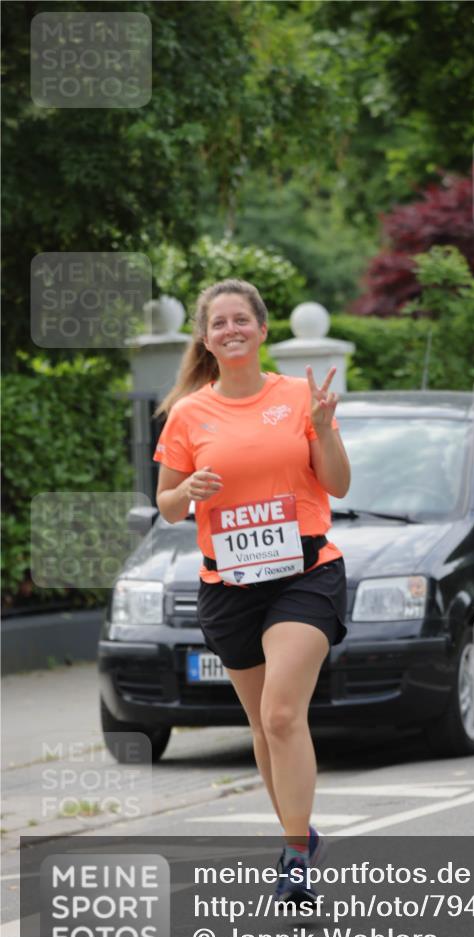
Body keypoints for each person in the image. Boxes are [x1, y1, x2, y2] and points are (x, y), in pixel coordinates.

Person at [152, 278, 351, 900]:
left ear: (262, 331)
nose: (232, 330)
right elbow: (166, 506)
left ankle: (295, 859)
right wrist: (187, 493)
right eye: (219, 323)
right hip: (230, 585)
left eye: (243, 319)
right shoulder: (188, 413)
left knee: (282, 713)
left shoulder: (298, 397)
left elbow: (339, 486)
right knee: (263, 729)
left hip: (306, 574)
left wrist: (326, 428)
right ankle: (298, 832)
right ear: (206, 340)